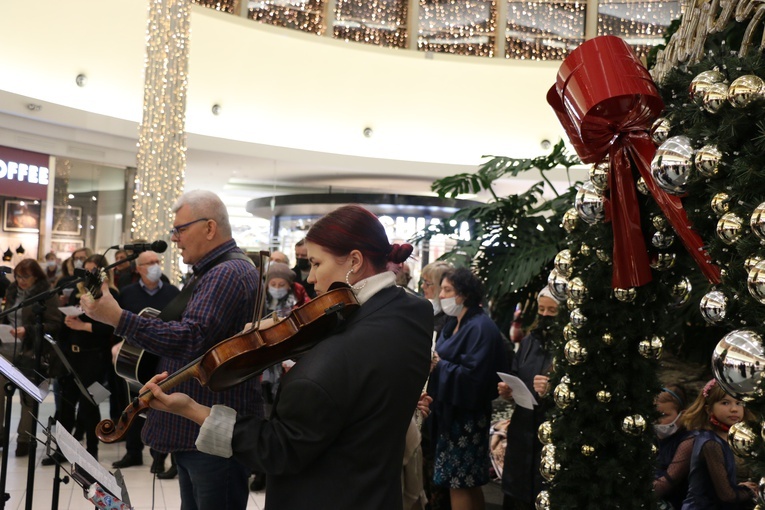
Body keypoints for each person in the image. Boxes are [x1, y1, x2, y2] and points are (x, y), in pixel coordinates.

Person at [136, 204, 433, 509]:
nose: (311, 279)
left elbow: (277, 449)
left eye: (316, 264)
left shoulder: (333, 360)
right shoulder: (414, 313)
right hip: (378, 494)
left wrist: (193, 410)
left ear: (355, 261)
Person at [80, 189, 263, 510]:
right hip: (197, 427)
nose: (175, 238)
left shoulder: (226, 273)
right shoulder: (211, 272)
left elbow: (191, 338)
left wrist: (117, 318)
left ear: (209, 228)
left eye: (180, 229)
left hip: (209, 429)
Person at [428, 267, 510, 510]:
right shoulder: (454, 322)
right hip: (449, 413)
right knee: (467, 483)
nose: (441, 295)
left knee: (459, 483)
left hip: (466, 417)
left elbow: (476, 377)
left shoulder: (480, 326)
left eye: (447, 290)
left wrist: (438, 365)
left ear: (463, 294)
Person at [111, 250, 180, 477]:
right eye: (149, 262)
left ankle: (159, 457)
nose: (155, 265)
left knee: (161, 405)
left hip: (164, 357)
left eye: (157, 262)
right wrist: (116, 346)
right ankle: (133, 452)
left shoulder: (172, 291)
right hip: (134, 357)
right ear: (138, 268)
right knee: (133, 403)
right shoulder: (128, 293)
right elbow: (117, 323)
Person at [250, 261, 311, 491]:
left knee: (280, 419)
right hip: (262, 373)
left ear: (289, 285)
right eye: (273, 283)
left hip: (286, 370)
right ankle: (259, 471)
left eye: (281, 283)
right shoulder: (258, 305)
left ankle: (274, 469)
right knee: (262, 419)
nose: (276, 287)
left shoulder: (298, 305)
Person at [52, 254, 119, 463]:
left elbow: (111, 327)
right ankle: (62, 449)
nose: (88, 275)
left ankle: (92, 449)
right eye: (86, 270)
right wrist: (68, 320)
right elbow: (68, 325)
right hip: (72, 355)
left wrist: (83, 326)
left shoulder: (111, 295)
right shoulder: (78, 293)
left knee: (91, 404)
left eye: (93, 271)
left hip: (95, 358)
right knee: (65, 405)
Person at [499, 286, 559, 510]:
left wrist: (552, 391)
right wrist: (508, 391)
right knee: (517, 496)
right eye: (541, 309)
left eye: (552, 311)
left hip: (549, 436)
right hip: (522, 432)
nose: (544, 316)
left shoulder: (569, 348)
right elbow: (516, 375)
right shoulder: (529, 342)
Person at [0, 259, 61, 457]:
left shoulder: (46, 295)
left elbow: (55, 324)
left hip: (31, 352)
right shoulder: (11, 291)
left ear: (36, 276)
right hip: (6, 349)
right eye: (17, 276)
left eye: (25, 276)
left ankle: (24, 440)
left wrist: (28, 330)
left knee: (28, 400)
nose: (20, 280)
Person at [680, 379, 757, 509]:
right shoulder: (711, 443)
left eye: (739, 403)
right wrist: (750, 491)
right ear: (709, 409)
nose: (734, 409)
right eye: (725, 403)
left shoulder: (734, 439)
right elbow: (727, 495)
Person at [418, 260, 453, 510]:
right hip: (425, 397)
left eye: (427, 283)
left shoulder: (448, 321)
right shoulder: (428, 314)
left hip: (440, 402)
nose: (422, 288)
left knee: (434, 467)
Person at [654, 385, 693, 510]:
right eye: (654, 415)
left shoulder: (688, 441)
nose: (657, 421)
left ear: (682, 415)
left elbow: (668, 482)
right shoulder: (652, 437)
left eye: (664, 415)